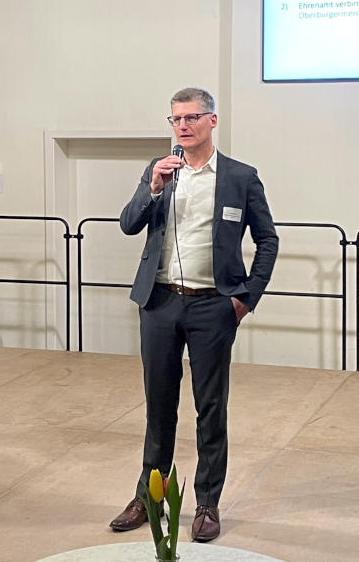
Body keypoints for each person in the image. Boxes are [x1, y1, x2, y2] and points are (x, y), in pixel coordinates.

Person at [111, 88, 278, 541]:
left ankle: (206, 503)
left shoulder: (241, 178)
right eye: (175, 119)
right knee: (159, 408)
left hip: (212, 305)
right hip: (160, 302)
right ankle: (150, 495)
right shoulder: (160, 171)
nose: (182, 126)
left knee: (210, 409)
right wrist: (152, 189)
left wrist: (245, 298)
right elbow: (128, 223)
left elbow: (268, 241)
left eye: (191, 118)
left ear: (212, 121)